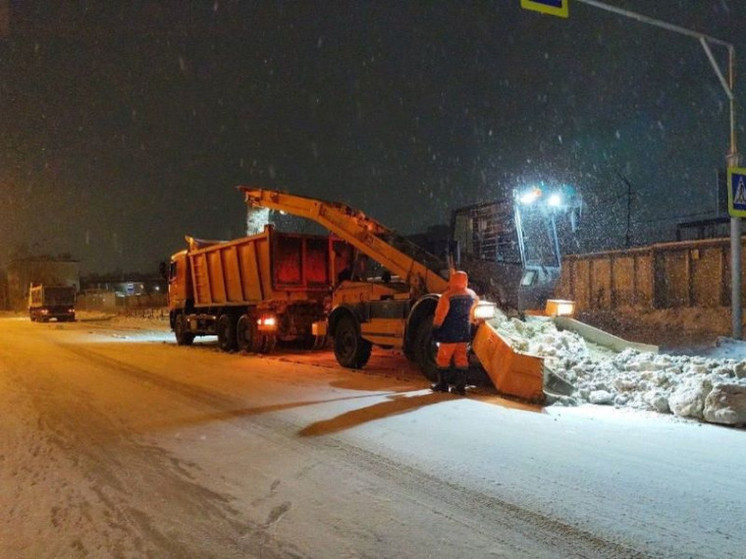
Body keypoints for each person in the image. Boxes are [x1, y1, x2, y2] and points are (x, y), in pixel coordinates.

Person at [430, 270, 478, 395]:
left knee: (443, 358)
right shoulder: (472, 295)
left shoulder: (447, 296)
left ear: (452, 281)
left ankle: (443, 384)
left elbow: (440, 315)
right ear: (466, 281)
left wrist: (436, 327)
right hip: (464, 333)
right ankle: (460, 387)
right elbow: (474, 314)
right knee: (461, 359)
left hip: (449, 333)